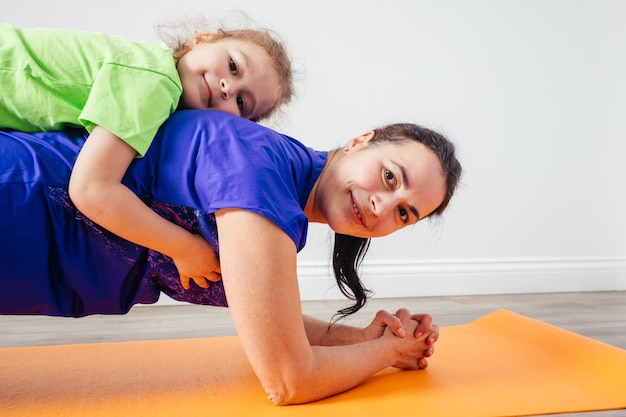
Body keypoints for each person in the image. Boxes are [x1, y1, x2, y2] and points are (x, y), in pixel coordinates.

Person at [0, 110, 462, 405]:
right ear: (362, 139)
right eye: (388, 176)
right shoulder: (262, 182)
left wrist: (368, 339)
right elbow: (289, 380)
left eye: (404, 212)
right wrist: (386, 351)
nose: (384, 205)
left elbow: (274, 325)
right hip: (18, 199)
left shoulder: (277, 177)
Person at [0, 21, 293, 290]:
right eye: (233, 65)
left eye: (242, 101)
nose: (228, 87)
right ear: (202, 40)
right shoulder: (156, 81)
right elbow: (91, 189)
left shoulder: (149, 71)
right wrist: (184, 247)